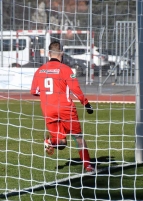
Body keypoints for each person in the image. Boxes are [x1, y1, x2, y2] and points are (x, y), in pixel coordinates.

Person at [30, 41, 95, 172]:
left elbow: (34, 91)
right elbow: (75, 89)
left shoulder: (40, 70)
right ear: (62, 53)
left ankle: (50, 142)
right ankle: (88, 166)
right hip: (65, 109)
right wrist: (86, 103)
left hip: (48, 109)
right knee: (78, 138)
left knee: (61, 144)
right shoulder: (66, 69)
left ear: (49, 54)